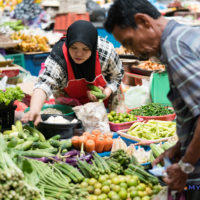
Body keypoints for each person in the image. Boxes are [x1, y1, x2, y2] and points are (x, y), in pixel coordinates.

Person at [104, 0, 200, 199]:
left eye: (129, 42)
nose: (132, 52)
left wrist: (185, 166)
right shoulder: (185, 34)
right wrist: (179, 148)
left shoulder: (176, 51)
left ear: (144, 21)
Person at [22, 20, 124, 126]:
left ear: (93, 47)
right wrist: (34, 109)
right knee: (71, 124)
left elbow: (117, 76)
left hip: (105, 91)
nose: (79, 53)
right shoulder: (59, 56)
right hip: (70, 96)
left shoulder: (105, 51)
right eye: (73, 47)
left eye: (85, 49)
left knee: (114, 123)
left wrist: (105, 93)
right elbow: (44, 84)